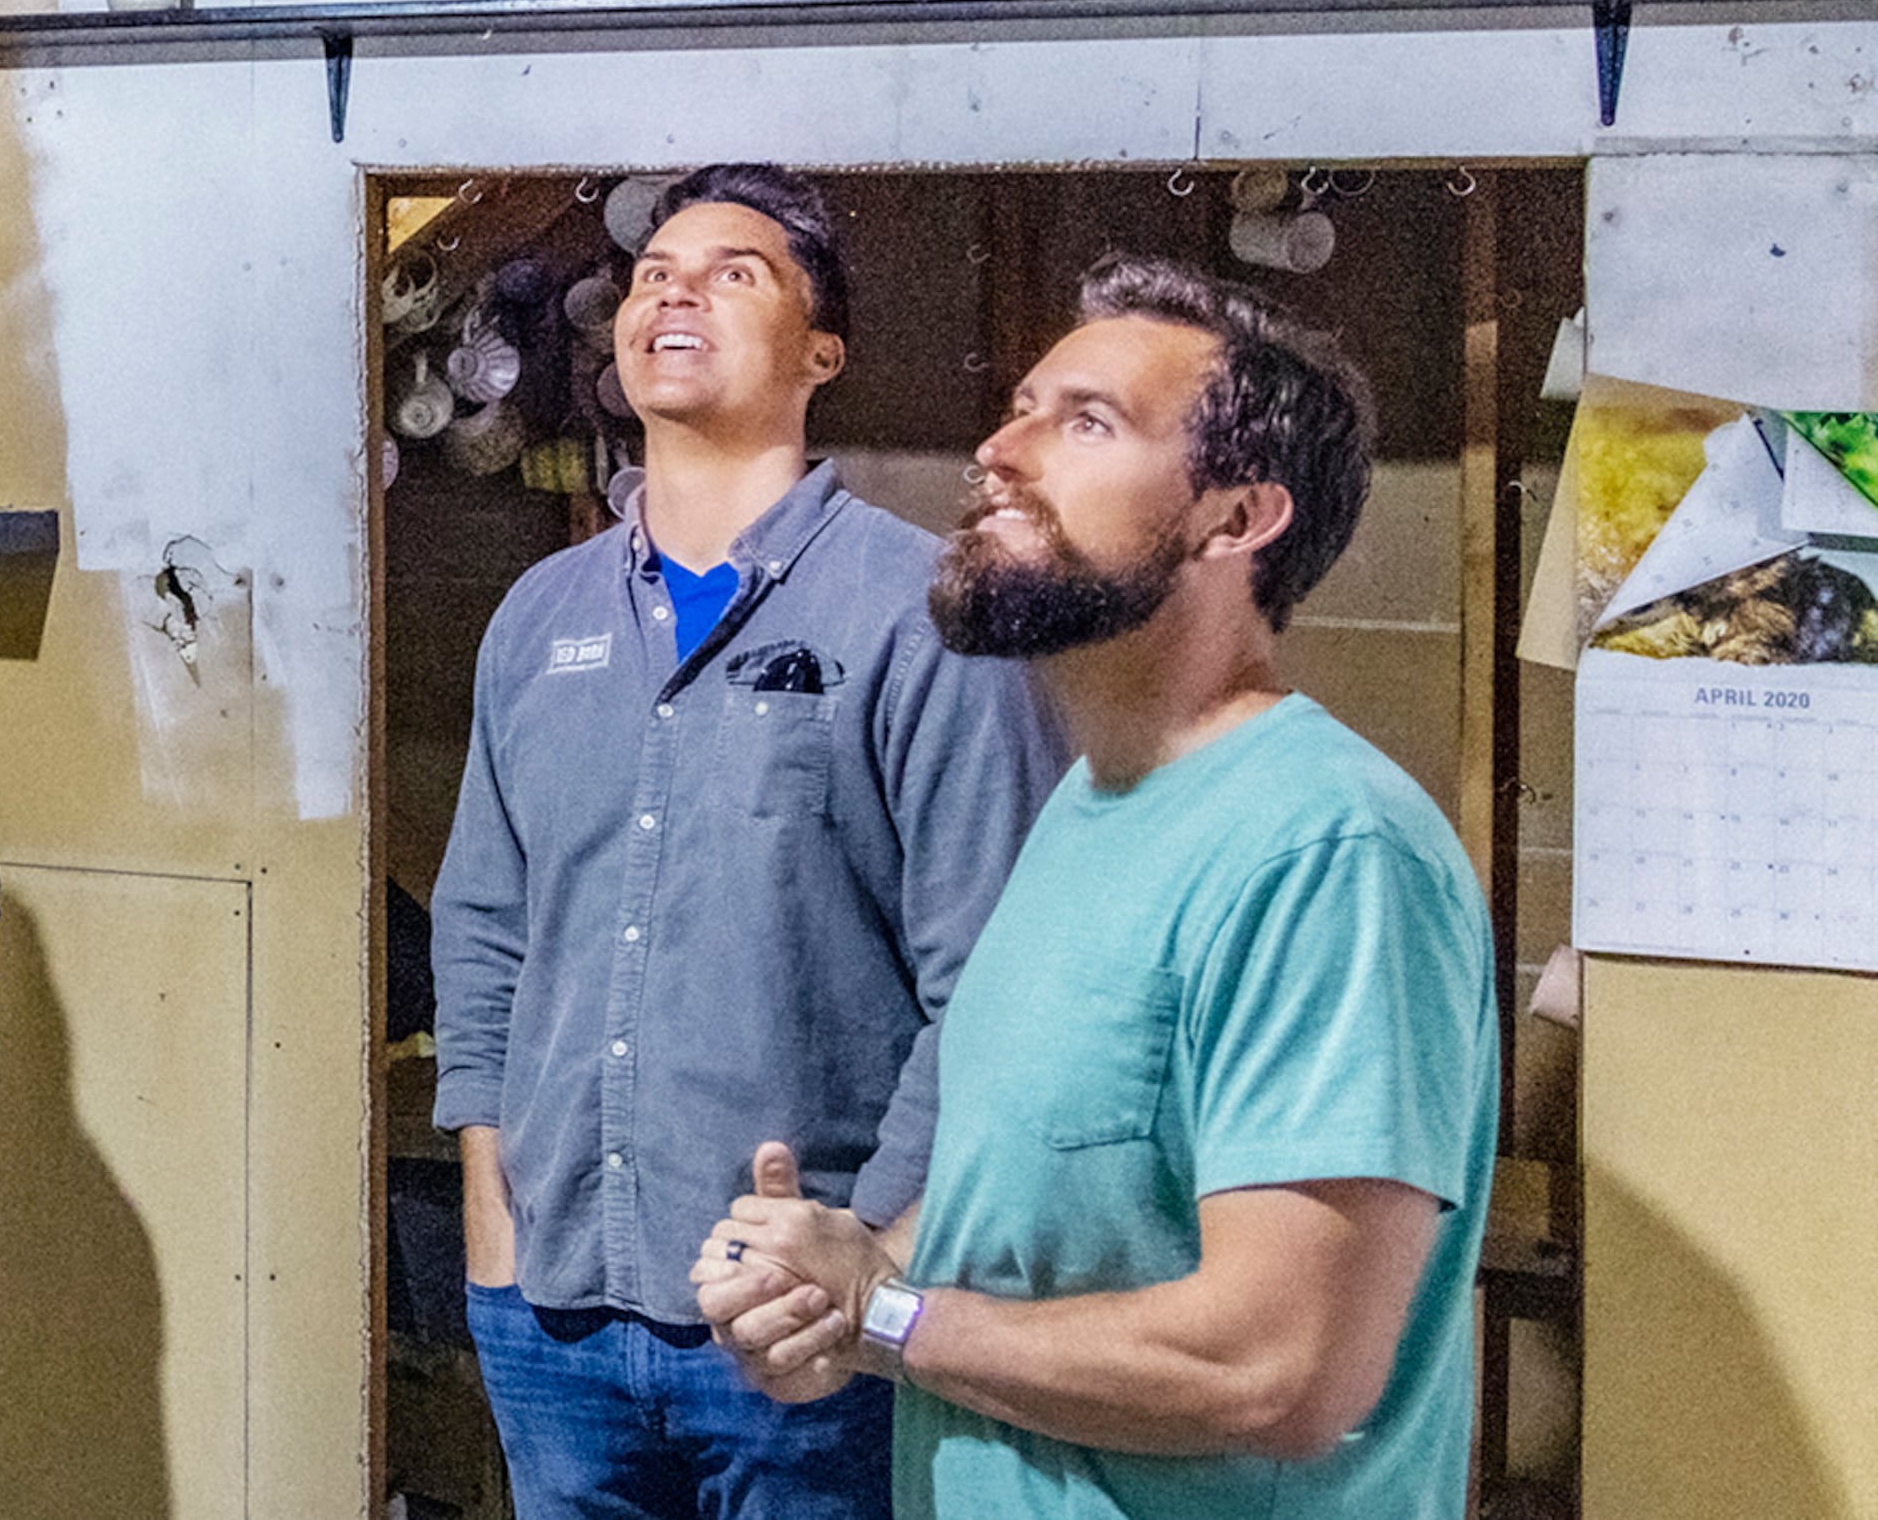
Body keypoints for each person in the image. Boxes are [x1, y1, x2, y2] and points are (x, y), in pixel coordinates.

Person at [693, 257, 1498, 1520]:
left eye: (1086, 421)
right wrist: (831, 1285)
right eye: (1020, 406)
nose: (1000, 450)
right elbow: (1015, 1229)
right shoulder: (1087, 804)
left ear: (1237, 520)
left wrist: (886, 1312)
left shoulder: (1326, 849)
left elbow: (1278, 1368)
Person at [432, 164, 1062, 1520]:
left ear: (820, 352)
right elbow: (484, 928)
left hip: (799, 1334)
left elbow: (997, 981)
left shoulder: (919, 617)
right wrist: (493, 1211)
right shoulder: (541, 620)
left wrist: (876, 1259)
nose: (675, 287)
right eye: (656, 270)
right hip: (553, 1318)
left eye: (737, 272)